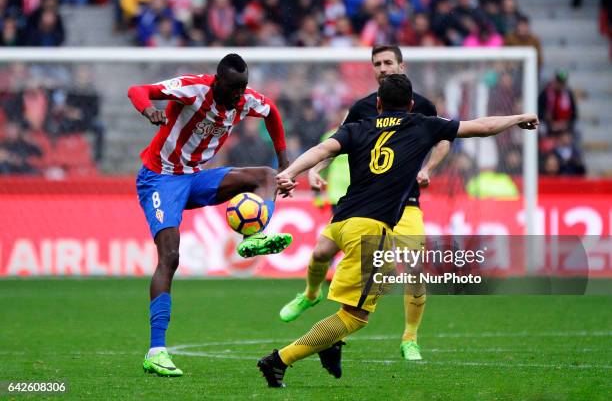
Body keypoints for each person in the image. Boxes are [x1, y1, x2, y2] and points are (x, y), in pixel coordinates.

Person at [258, 74, 539, 387]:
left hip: (341, 221)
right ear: (411, 104)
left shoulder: (358, 127)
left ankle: (322, 328)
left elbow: (321, 150)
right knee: (354, 316)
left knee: (383, 273)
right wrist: (518, 117)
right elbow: (481, 127)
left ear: (378, 104)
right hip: (370, 229)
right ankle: (279, 361)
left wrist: (290, 173)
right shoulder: (422, 124)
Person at [278, 45, 452, 361]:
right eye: (377, 63)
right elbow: (336, 142)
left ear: (402, 65)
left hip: (405, 201)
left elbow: (445, 138)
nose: (383, 68)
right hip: (362, 205)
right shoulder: (361, 108)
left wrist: (428, 168)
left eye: (388, 62)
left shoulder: (422, 106)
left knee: (413, 269)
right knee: (319, 254)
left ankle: (410, 338)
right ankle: (309, 294)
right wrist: (316, 172)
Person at [127, 53, 293, 377]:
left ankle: (252, 238)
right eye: (232, 88)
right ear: (217, 82)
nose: (238, 96)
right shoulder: (193, 89)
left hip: (196, 177)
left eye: (242, 88)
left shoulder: (243, 101)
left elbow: (271, 110)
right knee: (170, 256)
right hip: (160, 178)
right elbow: (138, 89)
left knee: (267, 177)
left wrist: (284, 157)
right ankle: (156, 351)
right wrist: (149, 110)